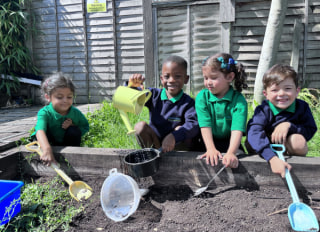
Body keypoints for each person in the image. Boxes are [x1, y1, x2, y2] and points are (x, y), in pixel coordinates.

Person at [246, 64, 317, 177]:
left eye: (287, 88)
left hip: (286, 144)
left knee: (298, 142)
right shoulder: (263, 110)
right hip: (264, 147)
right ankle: (272, 162)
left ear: (297, 91)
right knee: (252, 139)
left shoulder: (302, 107)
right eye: (274, 90)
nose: (281, 93)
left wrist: (289, 126)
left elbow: (310, 129)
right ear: (266, 94)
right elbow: (254, 132)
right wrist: (272, 158)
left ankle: (297, 169)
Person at [127, 55, 202, 153]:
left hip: (177, 145)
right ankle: (153, 156)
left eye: (177, 76)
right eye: (167, 76)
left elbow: (193, 125)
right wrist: (132, 87)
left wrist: (174, 136)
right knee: (139, 127)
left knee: (180, 128)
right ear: (162, 79)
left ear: (186, 79)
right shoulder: (153, 95)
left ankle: (171, 159)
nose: (171, 80)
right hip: (156, 142)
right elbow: (132, 99)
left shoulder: (188, 102)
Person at [195, 53, 248, 168]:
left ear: (229, 77)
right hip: (207, 142)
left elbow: (237, 130)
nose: (208, 82)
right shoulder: (202, 97)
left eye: (213, 78)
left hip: (231, 143)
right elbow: (205, 125)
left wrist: (231, 153)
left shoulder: (238, 100)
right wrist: (210, 149)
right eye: (205, 78)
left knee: (238, 163)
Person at [32, 72, 89, 166]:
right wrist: (47, 149)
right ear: (48, 97)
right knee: (42, 137)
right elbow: (40, 130)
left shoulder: (75, 113)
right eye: (59, 97)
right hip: (48, 140)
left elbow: (85, 126)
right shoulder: (45, 113)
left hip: (65, 141)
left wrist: (73, 125)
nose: (65, 100)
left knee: (74, 131)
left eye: (69, 97)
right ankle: (45, 154)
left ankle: (73, 158)